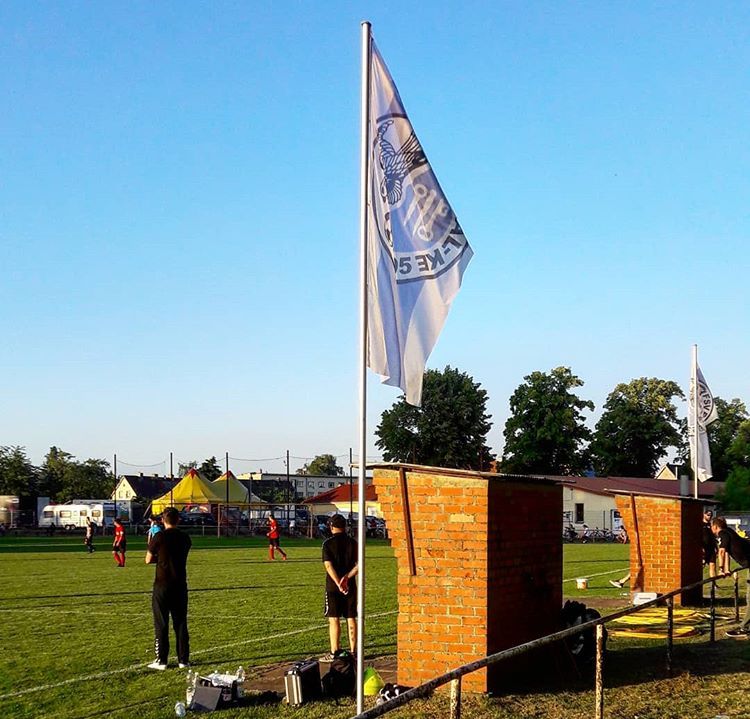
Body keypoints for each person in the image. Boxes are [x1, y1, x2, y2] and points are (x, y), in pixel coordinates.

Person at [145, 506, 192, 669]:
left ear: (163, 520)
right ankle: (183, 659)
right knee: (180, 622)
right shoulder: (185, 538)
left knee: (161, 622)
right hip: (180, 584)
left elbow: (148, 559)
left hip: (162, 584)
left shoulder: (159, 537)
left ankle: (162, 660)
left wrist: (160, 557)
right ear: (178, 520)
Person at [321, 513, 358, 661]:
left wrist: (338, 582)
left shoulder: (327, 544)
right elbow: (360, 565)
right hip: (350, 585)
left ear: (331, 527)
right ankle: (354, 651)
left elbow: (328, 566)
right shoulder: (353, 543)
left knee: (334, 619)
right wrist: (347, 578)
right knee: (351, 617)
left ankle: (334, 651)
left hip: (333, 587)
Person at [711, 516, 750, 638]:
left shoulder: (723, 533)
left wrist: (721, 569)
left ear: (715, 527)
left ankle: (745, 628)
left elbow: (722, 552)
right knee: (749, 598)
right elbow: (727, 552)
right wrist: (726, 569)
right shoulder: (729, 532)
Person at [702, 509, 717, 578]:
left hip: (711, 548)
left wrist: (716, 547)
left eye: (711, 515)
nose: (709, 517)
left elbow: (713, 537)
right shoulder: (701, 524)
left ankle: (713, 583)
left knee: (713, 565)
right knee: (702, 565)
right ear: (704, 515)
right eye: (708, 515)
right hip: (704, 548)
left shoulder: (711, 525)